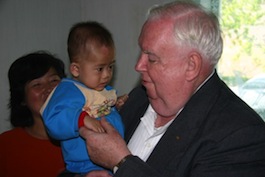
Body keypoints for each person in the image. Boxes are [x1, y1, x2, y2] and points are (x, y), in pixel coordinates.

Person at [79, 1, 265, 177]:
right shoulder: (138, 98)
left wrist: (121, 162)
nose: (138, 65)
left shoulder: (240, 135)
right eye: (141, 52)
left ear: (191, 65)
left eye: (151, 58)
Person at [41, 21, 125, 176]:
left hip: (112, 160)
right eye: (100, 68)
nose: (106, 74)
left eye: (110, 66)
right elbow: (53, 117)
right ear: (76, 69)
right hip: (86, 166)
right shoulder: (69, 90)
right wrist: (81, 119)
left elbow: (100, 109)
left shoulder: (101, 89)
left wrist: (116, 105)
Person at [0, 51, 66, 177]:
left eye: (53, 80)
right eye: (37, 84)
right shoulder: (5, 145)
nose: (48, 89)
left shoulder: (86, 135)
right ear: (22, 99)